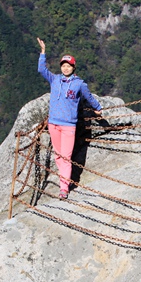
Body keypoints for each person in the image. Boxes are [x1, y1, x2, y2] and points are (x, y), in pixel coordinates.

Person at [36, 38, 102, 199]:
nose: (65, 68)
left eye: (68, 65)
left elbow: (89, 97)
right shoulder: (55, 79)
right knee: (59, 156)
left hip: (68, 126)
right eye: (63, 65)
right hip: (54, 124)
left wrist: (98, 109)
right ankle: (63, 183)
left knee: (65, 157)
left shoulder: (79, 84)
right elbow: (41, 70)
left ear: (73, 67)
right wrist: (43, 52)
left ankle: (64, 188)